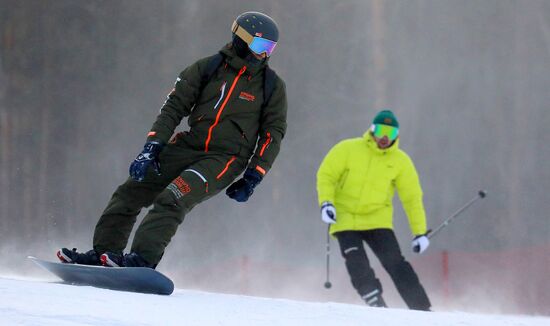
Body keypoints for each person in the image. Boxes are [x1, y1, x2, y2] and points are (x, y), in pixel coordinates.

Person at [57, 11, 287, 268]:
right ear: (241, 39)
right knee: (130, 191)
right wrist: (152, 147)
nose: (264, 55)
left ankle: (142, 259)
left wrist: (254, 175)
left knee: (173, 196)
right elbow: (173, 107)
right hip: (189, 145)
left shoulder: (271, 87)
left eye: (270, 49)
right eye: (260, 46)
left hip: (225, 158)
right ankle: (105, 253)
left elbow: (272, 134)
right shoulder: (206, 69)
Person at [316, 110, 431, 311]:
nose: (385, 137)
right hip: (345, 219)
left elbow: (412, 198)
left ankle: (421, 308)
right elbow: (326, 175)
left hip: (378, 220)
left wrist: (420, 232)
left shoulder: (400, 161)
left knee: (395, 262)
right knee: (356, 260)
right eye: (381, 130)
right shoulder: (348, 149)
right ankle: (374, 300)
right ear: (372, 130)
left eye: (391, 132)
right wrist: (327, 203)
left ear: (397, 135)